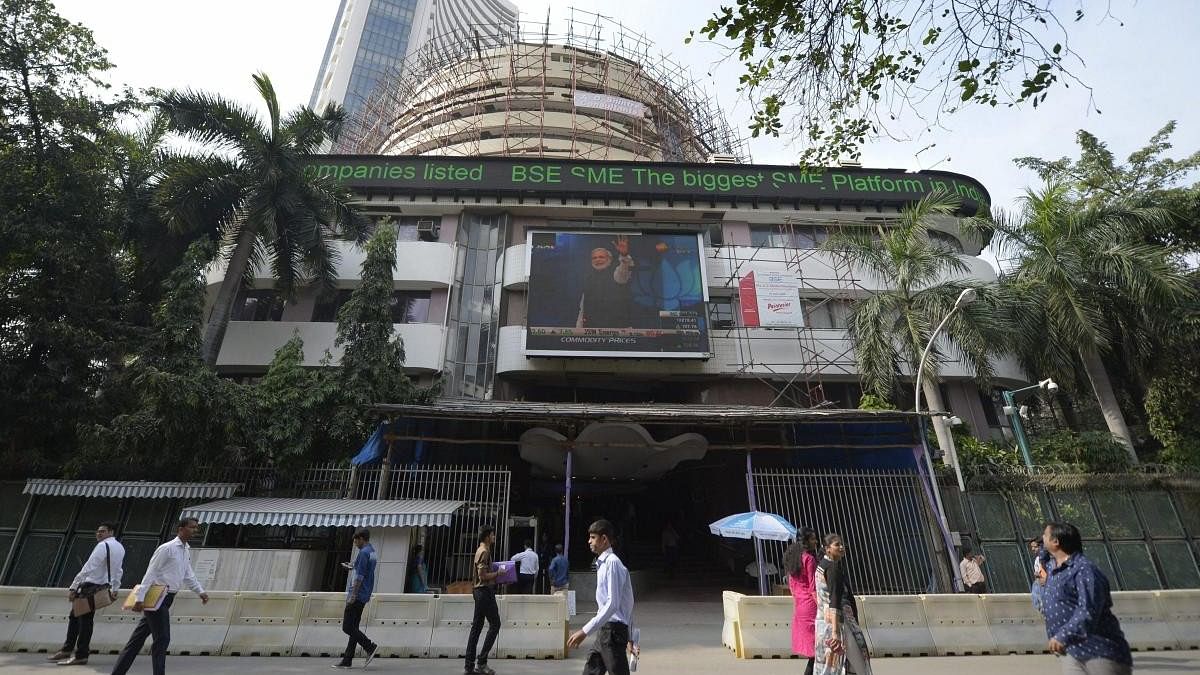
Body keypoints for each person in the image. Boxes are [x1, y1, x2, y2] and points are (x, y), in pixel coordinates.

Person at [110, 517, 208, 675]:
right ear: (181, 529)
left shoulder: (185, 550)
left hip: (167, 598)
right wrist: (139, 598)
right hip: (156, 595)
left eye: (196, 528)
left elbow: (187, 574)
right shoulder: (166, 548)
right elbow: (151, 572)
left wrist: (200, 592)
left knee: (136, 641)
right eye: (192, 527)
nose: (195, 530)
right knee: (162, 639)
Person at [1041, 522, 1132, 675]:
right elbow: (1043, 558)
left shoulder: (1084, 570)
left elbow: (1088, 610)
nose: (1042, 537)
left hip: (1099, 651)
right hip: (1072, 650)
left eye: (1045, 535)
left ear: (1056, 542)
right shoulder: (1053, 567)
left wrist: (1062, 636)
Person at [50, 521, 125, 666]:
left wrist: (73, 587)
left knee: (84, 621)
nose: (98, 534)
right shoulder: (120, 547)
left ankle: (80, 655)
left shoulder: (103, 546)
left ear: (111, 532)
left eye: (102, 531)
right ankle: (67, 649)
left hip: (89, 587)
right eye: (98, 531)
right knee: (75, 616)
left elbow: (88, 567)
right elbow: (119, 570)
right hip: (102, 587)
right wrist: (115, 588)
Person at [568, 520, 637, 675]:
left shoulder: (613, 563)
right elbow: (628, 602)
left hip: (612, 633)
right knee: (591, 671)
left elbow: (614, 604)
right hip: (605, 632)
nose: (589, 541)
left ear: (604, 539)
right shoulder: (602, 564)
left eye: (593, 537)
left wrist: (585, 631)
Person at [813, 533, 872, 675]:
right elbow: (834, 601)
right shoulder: (833, 569)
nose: (841, 547)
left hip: (823, 623)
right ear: (827, 549)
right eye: (836, 545)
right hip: (840, 624)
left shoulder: (821, 566)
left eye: (841, 544)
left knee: (829, 666)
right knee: (859, 663)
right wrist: (835, 633)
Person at [333, 528, 378, 669]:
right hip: (365, 593)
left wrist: (353, 595)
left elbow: (360, 576)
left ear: (362, 539)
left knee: (347, 627)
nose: (354, 543)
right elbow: (364, 569)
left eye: (355, 540)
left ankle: (369, 646)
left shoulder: (363, 553)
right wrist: (352, 566)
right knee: (354, 627)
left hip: (358, 594)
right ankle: (347, 659)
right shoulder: (372, 551)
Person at [464, 526, 501, 675]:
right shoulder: (484, 551)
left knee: (477, 628)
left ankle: (469, 666)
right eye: (492, 535)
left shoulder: (481, 550)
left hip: (479, 592)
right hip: (484, 591)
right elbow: (482, 576)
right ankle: (481, 662)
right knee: (495, 624)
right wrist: (499, 573)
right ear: (487, 537)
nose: (494, 537)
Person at [576, 235, 635, 329]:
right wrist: (578, 331)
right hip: (592, 331)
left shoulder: (616, 273)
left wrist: (624, 255)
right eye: (594, 258)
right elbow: (583, 309)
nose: (597, 260)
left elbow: (623, 272)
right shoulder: (588, 279)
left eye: (601, 257)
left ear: (609, 259)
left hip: (618, 330)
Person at [784, 528, 820, 675]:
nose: (816, 541)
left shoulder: (792, 557)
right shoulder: (809, 559)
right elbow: (813, 587)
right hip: (811, 606)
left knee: (814, 653)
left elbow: (791, 585)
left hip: (799, 605)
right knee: (817, 651)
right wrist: (824, 606)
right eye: (812, 539)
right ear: (805, 540)